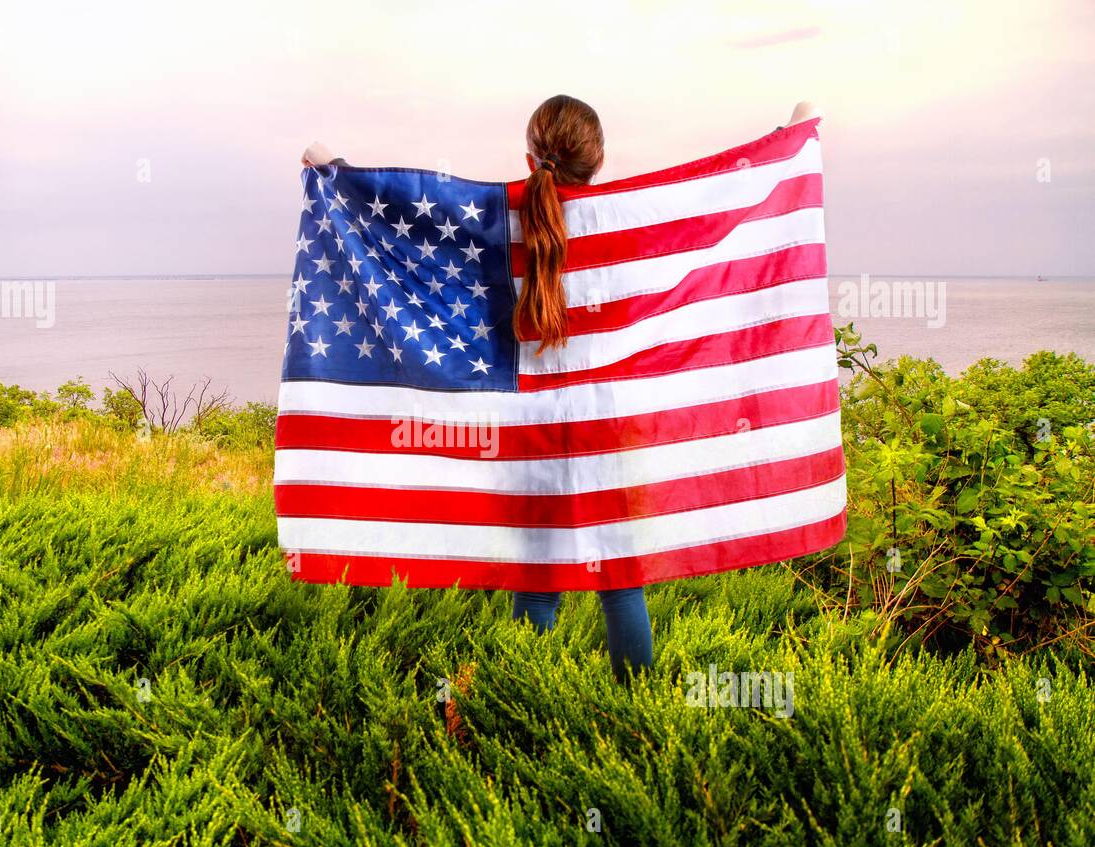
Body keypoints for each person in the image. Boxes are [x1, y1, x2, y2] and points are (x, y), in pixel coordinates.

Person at [300, 97, 820, 682]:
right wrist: (792, 136)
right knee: (621, 584)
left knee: (538, 580)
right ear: (598, 161)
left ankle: (527, 701)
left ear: (529, 157)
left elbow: (400, 225)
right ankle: (636, 706)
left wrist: (333, 171)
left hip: (532, 432)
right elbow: (711, 215)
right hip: (614, 432)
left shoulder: (492, 216)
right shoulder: (626, 218)